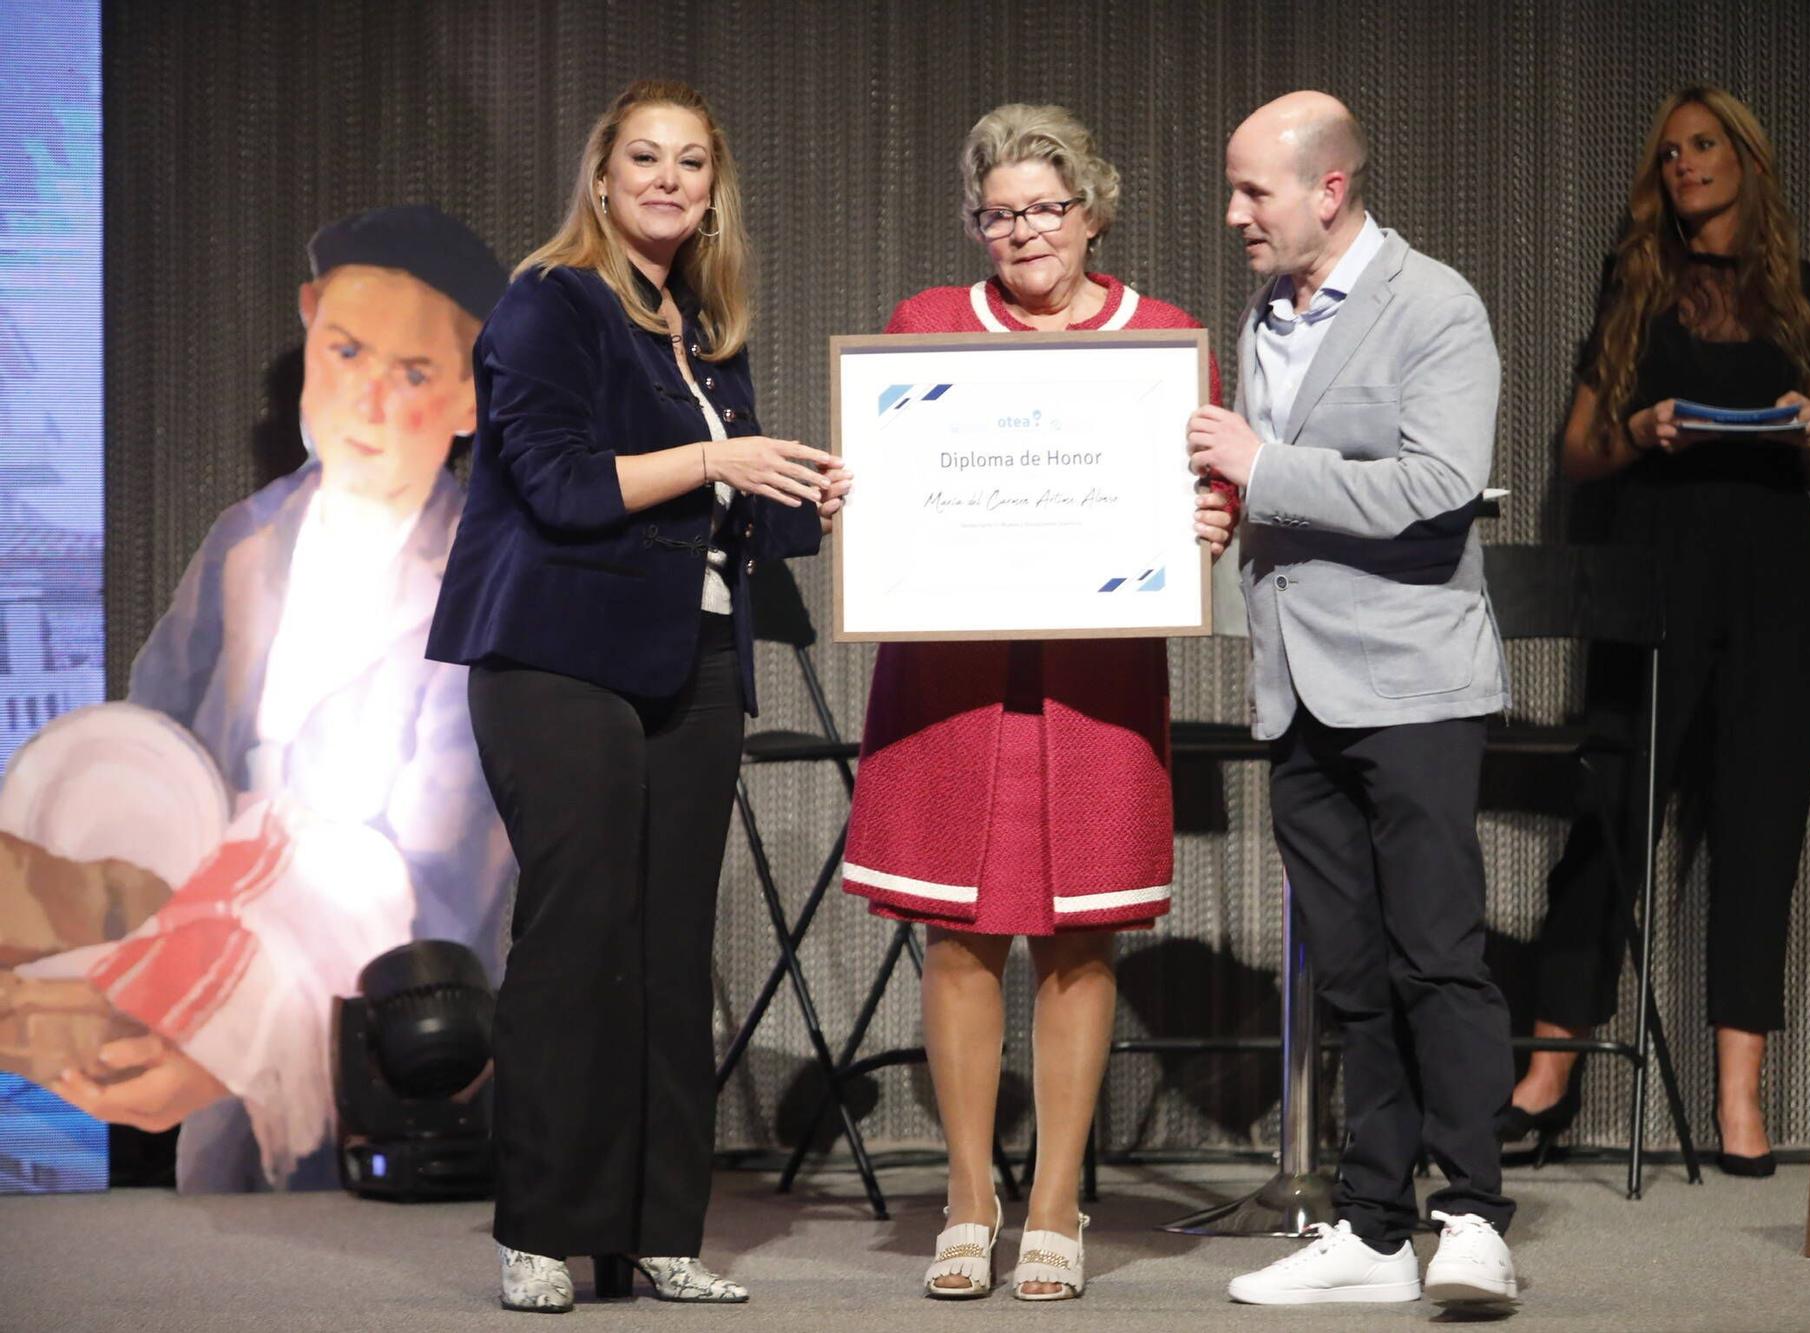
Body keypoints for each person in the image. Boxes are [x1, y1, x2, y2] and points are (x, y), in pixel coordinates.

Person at [426, 79, 843, 1313]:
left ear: (716, 190)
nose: (669, 180)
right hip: (556, 658)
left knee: (669, 954)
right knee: (579, 940)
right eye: (645, 159)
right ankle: (541, 1227)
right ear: (602, 178)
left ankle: (660, 1228)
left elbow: (724, 521)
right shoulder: (548, 301)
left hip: (696, 661)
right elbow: (555, 484)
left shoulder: (703, 324)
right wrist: (719, 456)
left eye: (692, 163)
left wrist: (803, 494)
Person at [30, 204, 515, 1192]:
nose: (368, 400)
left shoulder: (482, 571)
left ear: (469, 396)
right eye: (344, 352)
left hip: (387, 992)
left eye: (413, 373)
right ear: (307, 333)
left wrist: (250, 1004)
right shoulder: (243, 544)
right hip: (209, 936)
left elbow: (464, 851)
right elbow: (155, 737)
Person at [839, 102, 1235, 1301]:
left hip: (1095, 684)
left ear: (1091, 210)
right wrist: (862, 498)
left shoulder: (1161, 337)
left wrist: (1206, 524)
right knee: (960, 934)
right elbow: (890, 481)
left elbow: (1201, 499)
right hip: (951, 681)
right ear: (975, 224)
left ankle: (1055, 1200)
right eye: (997, 214)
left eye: (1043, 209)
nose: (1021, 232)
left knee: (1078, 936)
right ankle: (970, 1193)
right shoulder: (922, 329)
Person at [1188, 90, 1518, 1308]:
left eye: (1252, 192)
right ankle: (1374, 1226)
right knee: (1352, 969)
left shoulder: (1433, 304)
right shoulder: (1269, 311)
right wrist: (1224, 513)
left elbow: (1439, 483)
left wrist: (1260, 467)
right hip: (1298, 684)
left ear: (1327, 188)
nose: (1233, 215)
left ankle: (1473, 1213)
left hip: (1410, 680)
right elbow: (1279, 491)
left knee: (1436, 952)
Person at [1505, 85, 1810, 1176]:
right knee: (1610, 807)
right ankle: (1548, 1069)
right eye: (1667, 154)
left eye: (1702, 146)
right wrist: (1640, 428)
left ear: (1744, 157)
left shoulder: (1807, 293)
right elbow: (1574, 453)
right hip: (1651, 575)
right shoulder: (1634, 286)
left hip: (1776, 582)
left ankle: (1738, 1098)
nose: (1684, 165)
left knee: (1758, 829)